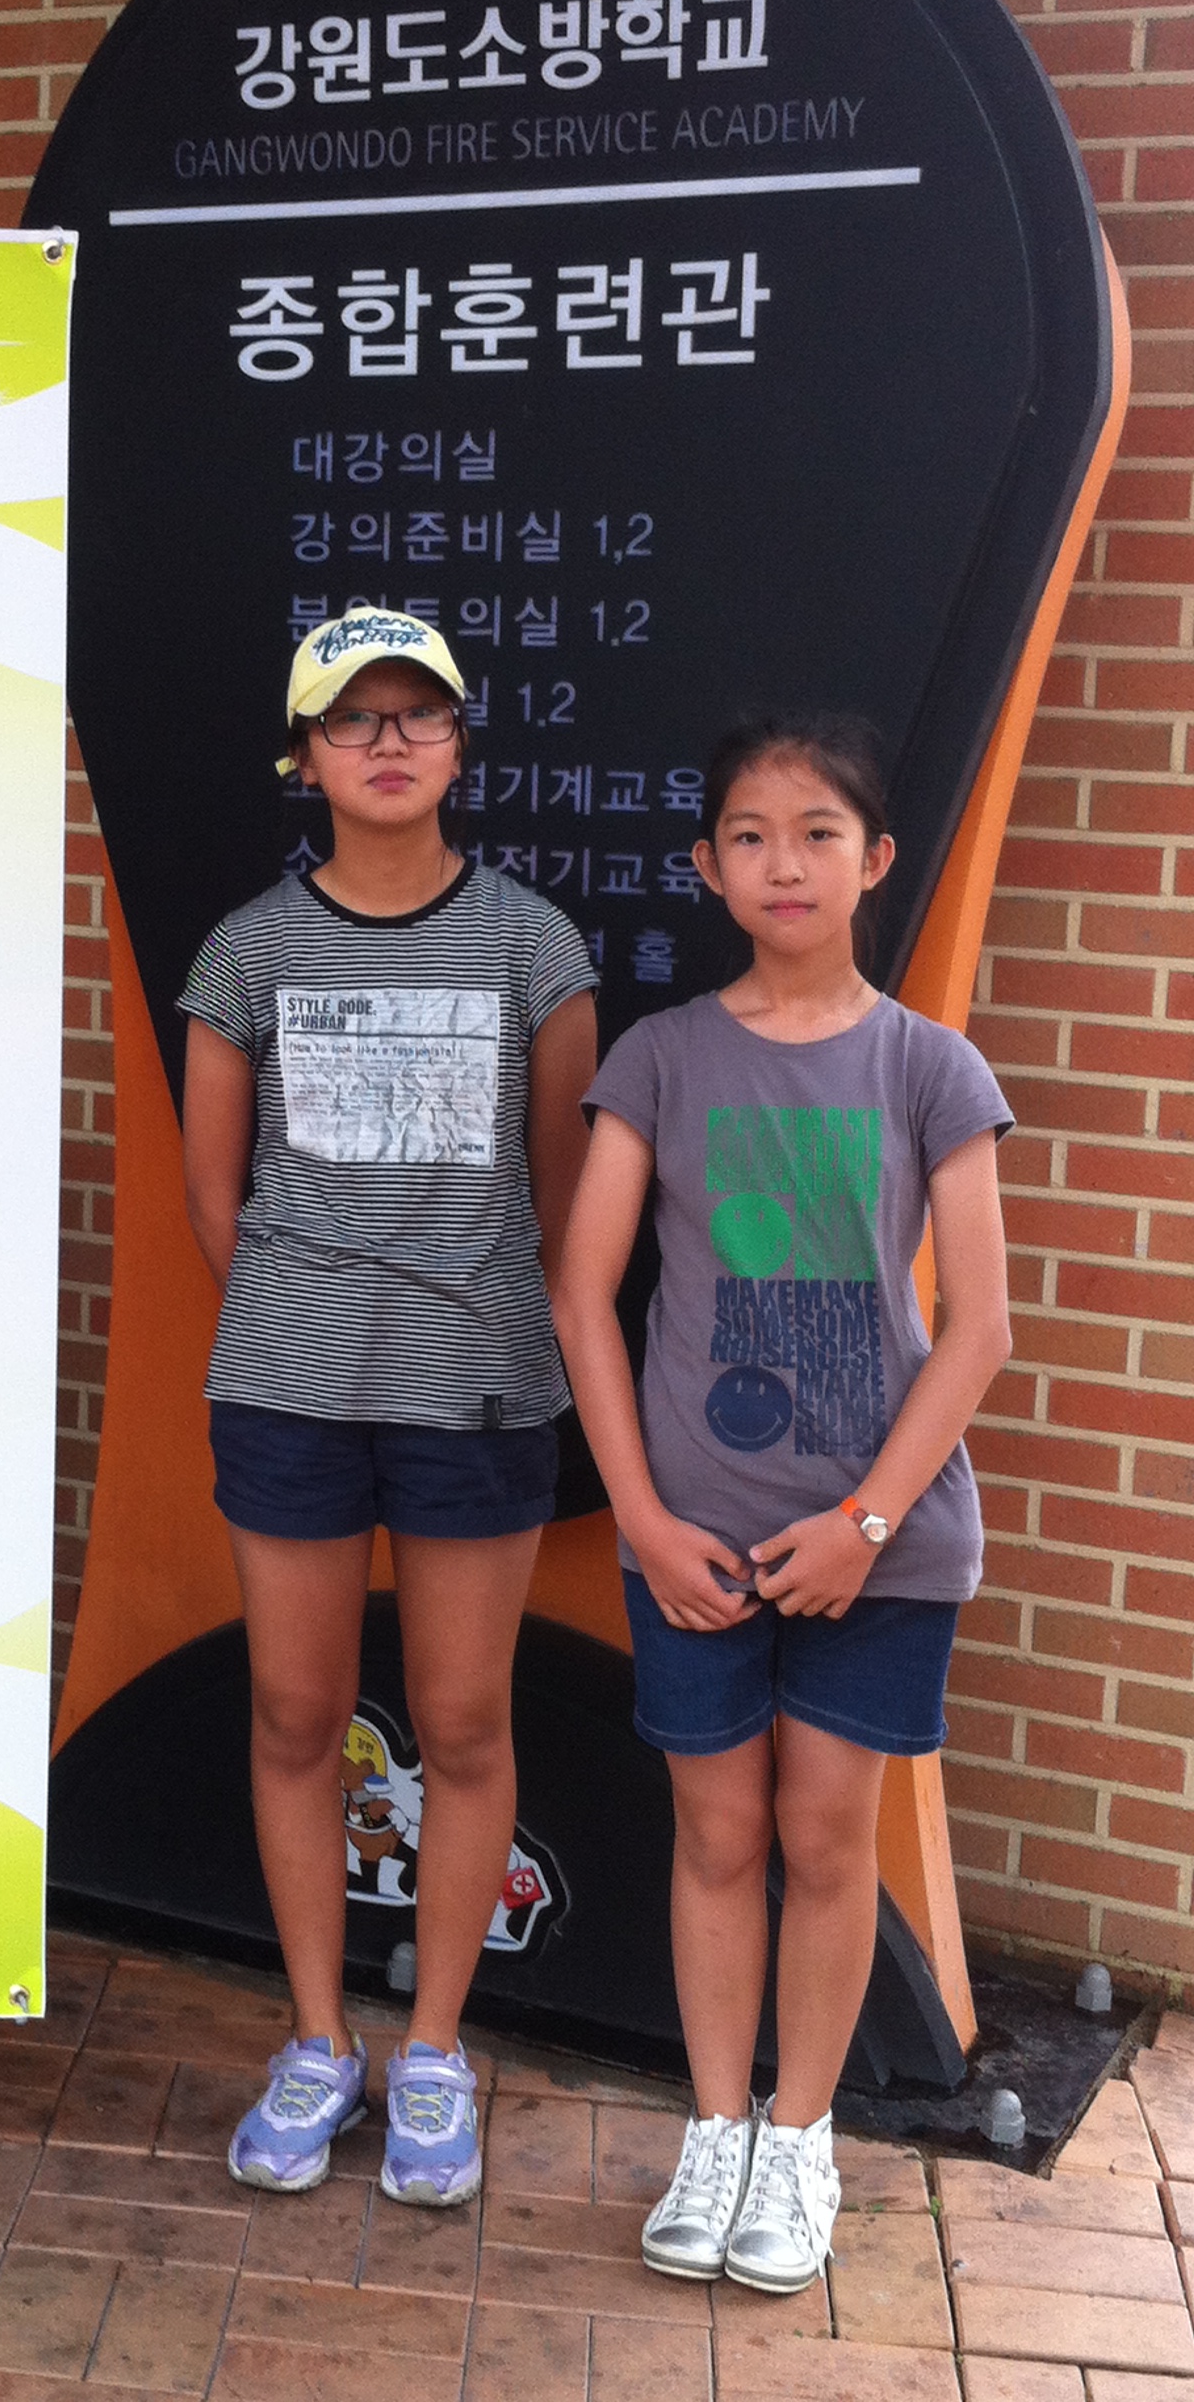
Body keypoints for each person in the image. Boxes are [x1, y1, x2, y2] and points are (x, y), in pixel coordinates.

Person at [553, 711, 1012, 2294]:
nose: (784, 863)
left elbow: (981, 1328)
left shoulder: (930, 1067)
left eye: (817, 833)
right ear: (708, 867)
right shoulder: (662, 1058)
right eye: (750, 835)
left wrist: (865, 1524)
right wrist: (639, 1516)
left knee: (826, 1836)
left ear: (874, 860)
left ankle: (799, 2137)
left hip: (882, 1547)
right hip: (695, 1540)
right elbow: (583, 1296)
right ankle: (715, 2126)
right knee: (717, 1829)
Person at [179, 609, 598, 2206]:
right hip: (289, 1389)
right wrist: (316, 1311)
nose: (389, 742)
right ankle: (315, 2038)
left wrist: (454, 1312)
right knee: (297, 1715)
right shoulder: (247, 952)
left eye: (420, 713)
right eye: (353, 719)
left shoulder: (533, 945)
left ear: (460, 745)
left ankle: (432, 2049)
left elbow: (563, 1196)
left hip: (477, 1394)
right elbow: (217, 1198)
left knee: (466, 1722)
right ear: (306, 757)